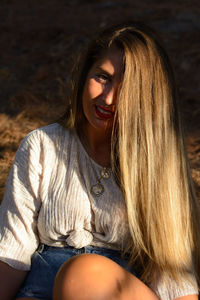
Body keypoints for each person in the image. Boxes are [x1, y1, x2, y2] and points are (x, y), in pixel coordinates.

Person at [0, 21, 199, 300]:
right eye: (102, 77)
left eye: (126, 86)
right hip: (38, 290)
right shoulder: (41, 146)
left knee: (84, 273)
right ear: (85, 75)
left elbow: (174, 277)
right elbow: (11, 254)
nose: (108, 98)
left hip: (119, 292)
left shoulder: (158, 166)